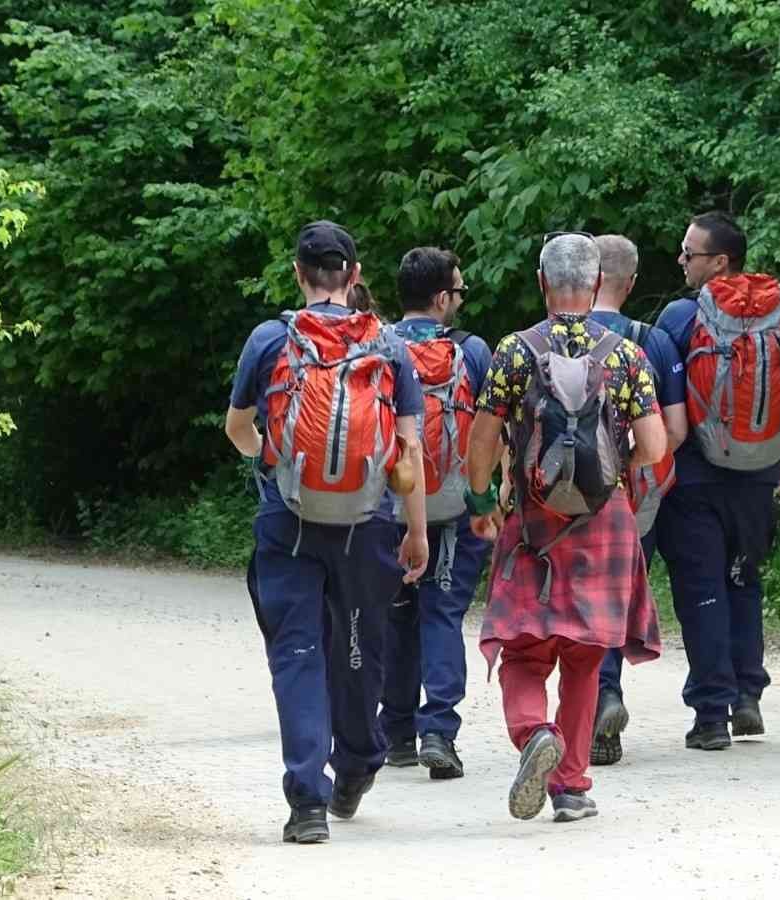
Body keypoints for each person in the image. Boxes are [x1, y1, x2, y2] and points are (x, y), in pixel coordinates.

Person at [224, 220, 429, 843]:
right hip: (367, 528)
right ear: (355, 275)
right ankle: (359, 763)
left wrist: (275, 461)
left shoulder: (270, 339)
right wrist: (415, 534)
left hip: (287, 523)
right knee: (360, 650)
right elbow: (409, 453)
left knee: (298, 656)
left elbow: (237, 428)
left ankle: (306, 804)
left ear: (298, 273)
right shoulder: (390, 346)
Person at [466, 232, 665, 823]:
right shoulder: (625, 354)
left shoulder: (514, 351)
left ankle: (532, 734)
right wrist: (616, 468)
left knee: (526, 655)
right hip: (605, 526)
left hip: (532, 525)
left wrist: (481, 498)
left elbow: (481, 440)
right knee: (583, 660)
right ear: (599, 284)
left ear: (542, 283)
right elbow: (654, 445)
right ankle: (572, 787)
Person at [652, 211, 780, 750]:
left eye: (689, 254)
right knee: (743, 580)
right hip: (759, 475)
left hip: (696, 480)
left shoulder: (681, 317)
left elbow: (661, 396)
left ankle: (710, 714)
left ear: (719, 261)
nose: (682, 261)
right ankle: (748, 695)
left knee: (701, 589)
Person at [377, 247, 494, 779]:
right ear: (442, 298)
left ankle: (396, 731)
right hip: (449, 507)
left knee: (395, 616)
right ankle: (439, 731)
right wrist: (485, 503)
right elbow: (494, 436)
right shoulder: (471, 353)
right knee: (442, 614)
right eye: (460, 291)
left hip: (386, 507)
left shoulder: (373, 347)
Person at [586, 233, 688, 767]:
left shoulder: (548, 339)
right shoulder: (653, 341)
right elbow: (676, 429)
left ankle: (578, 708)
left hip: (562, 496)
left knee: (572, 595)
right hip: (633, 496)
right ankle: (606, 690)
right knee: (614, 594)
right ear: (629, 282)